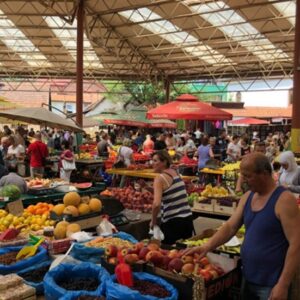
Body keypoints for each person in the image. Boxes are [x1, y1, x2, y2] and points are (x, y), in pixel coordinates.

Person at [184, 153, 300, 300]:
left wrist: (283, 284)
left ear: (264, 174)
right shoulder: (248, 197)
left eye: (247, 176)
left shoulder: (284, 200)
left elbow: (296, 244)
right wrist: (207, 246)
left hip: (271, 283)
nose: (243, 180)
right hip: (248, 276)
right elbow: (230, 227)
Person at [151, 150, 194, 244]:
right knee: (184, 253)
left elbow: (156, 204)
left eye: (155, 161)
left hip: (173, 223)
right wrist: (146, 187)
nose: (152, 163)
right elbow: (169, 192)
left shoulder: (159, 178)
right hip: (187, 219)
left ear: (164, 162)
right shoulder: (174, 172)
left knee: (169, 253)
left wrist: (153, 221)